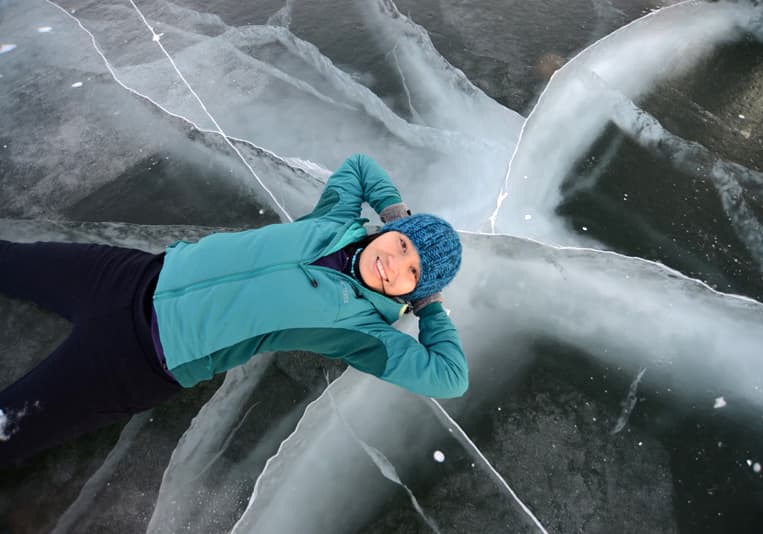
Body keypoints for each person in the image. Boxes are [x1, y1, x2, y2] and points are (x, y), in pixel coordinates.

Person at [0, 154, 467, 468]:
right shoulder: (336, 223)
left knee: (8, 425)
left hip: (136, 358)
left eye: (411, 273)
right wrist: (394, 211)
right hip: (131, 275)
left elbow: (450, 376)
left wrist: (431, 308)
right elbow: (361, 166)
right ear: (392, 231)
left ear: (412, 291)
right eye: (403, 243)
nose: (393, 263)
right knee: (13, 261)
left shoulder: (362, 329)